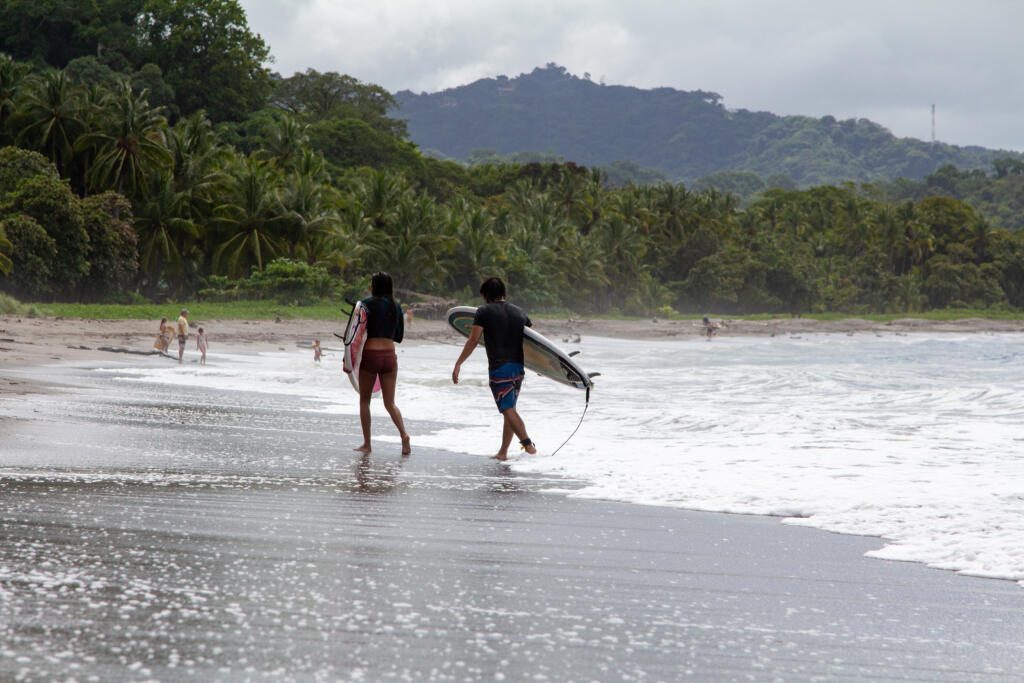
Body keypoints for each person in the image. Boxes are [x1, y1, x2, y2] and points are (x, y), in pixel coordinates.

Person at [452, 277, 537, 460]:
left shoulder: (484, 312)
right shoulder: (520, 312)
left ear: (486, 295)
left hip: (500, 368)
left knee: (507, 409)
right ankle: (503, 452)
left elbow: (473, 339)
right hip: (518, 368)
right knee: (510, 408)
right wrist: (540, 366)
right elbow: (533, 343)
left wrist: (458, 363)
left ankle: (527, 444)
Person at [354, 272, 411, 456]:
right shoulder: (396, 307)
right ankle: (404, 434)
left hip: (371, 354)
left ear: (373, 286)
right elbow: (399, 337)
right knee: (390, 402)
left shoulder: (365, 304)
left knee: (364, 400)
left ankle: (367, 444)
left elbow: (355, 332)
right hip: (389, 355)